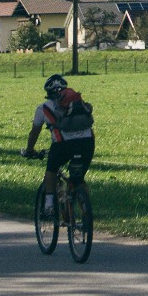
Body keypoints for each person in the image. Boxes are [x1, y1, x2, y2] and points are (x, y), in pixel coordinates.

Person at [22, 73, 94, 212]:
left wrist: (29, 150)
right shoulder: (78, 104)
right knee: (78, 179)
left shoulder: (43, 108)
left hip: (63, 145)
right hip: (87, 143)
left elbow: (34, 133)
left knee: (51, 170)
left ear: (47, 92)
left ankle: (49, 205)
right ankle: (86, 211)